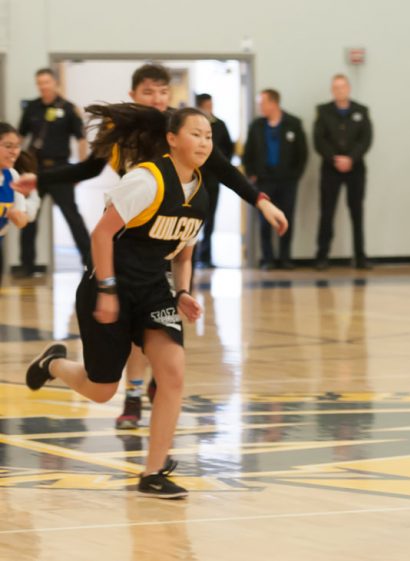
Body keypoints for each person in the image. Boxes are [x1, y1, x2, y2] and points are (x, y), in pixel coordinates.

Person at [14, 64, 288, 431]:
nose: (157, 99)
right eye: (149, 93)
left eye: (163, 92)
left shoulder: (180, 133)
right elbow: (87, 170)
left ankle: (147, 392)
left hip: (166, 240)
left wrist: (261, 202)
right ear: (133, 96)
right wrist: (41, 179)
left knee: (157, 338)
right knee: (125, 343)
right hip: (127, 239)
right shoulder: (120, 135)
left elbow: (224, 168)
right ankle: (130, 393)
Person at [25, 105, 213, 498]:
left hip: (153, 290)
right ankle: (54, 363)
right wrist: (108, 289)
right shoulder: (146, 180)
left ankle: (153, 471)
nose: (204, 141)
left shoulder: (202, 193)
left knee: (173, 371)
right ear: (172, 139)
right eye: (195, 133)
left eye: (209, 135)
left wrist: (182, 292)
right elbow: (100, 235)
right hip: (108, 284)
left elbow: (182, 253)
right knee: (101, 390)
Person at [17, 68, 90, 275]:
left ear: (55, 83)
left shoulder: (68, 109)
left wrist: (81, 170)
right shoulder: (32, 108)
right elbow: (21, 138)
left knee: (72, 217)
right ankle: (27, 265)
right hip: (35, 171)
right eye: (39, 83)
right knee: (28, 217)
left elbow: (81, 139)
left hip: (61, 170)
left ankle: (89, 262)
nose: (43, 86)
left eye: (46, 82)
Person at [313, 74, 373, 270]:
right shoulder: (323, 112)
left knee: (357, 212)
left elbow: (365, 139)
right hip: (331, 169)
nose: (339, 90)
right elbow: (319, 140)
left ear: (348, 88)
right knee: (327, 212)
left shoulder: (361, 111)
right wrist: (335, 159)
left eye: (342, 87)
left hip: (355, 169)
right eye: (336, 87)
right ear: (332, 90)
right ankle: (322, 256)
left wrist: (351, 159)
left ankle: (360, 257)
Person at [243, 89, 308, 270]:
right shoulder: (256, 126)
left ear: (274, 103)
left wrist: (295, 175)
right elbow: (248, 153)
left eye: (263, 103)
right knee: (264, 221)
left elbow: (302, 154)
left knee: (286, 218)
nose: (260, 107)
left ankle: (285, 257)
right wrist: (251, 173)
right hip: (264, 181)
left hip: (287, 180)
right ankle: (268, 258)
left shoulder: (293, 124)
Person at [194, 93, 234, 268]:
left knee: (210, 218)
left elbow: (228, 149)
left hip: (213, 180)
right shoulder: (191, 126)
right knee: (194, 219)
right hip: (195, 179)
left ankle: (206, 256)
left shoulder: (220, 125)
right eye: (206, 105)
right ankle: (191, 256)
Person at [0, 123, 41, 286]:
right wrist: (8, 212)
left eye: (17, 146)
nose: (14, 151)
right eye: (8, 146)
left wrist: (19, 217)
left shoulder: (13, 175)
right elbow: (8, 211)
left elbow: (22, 219)